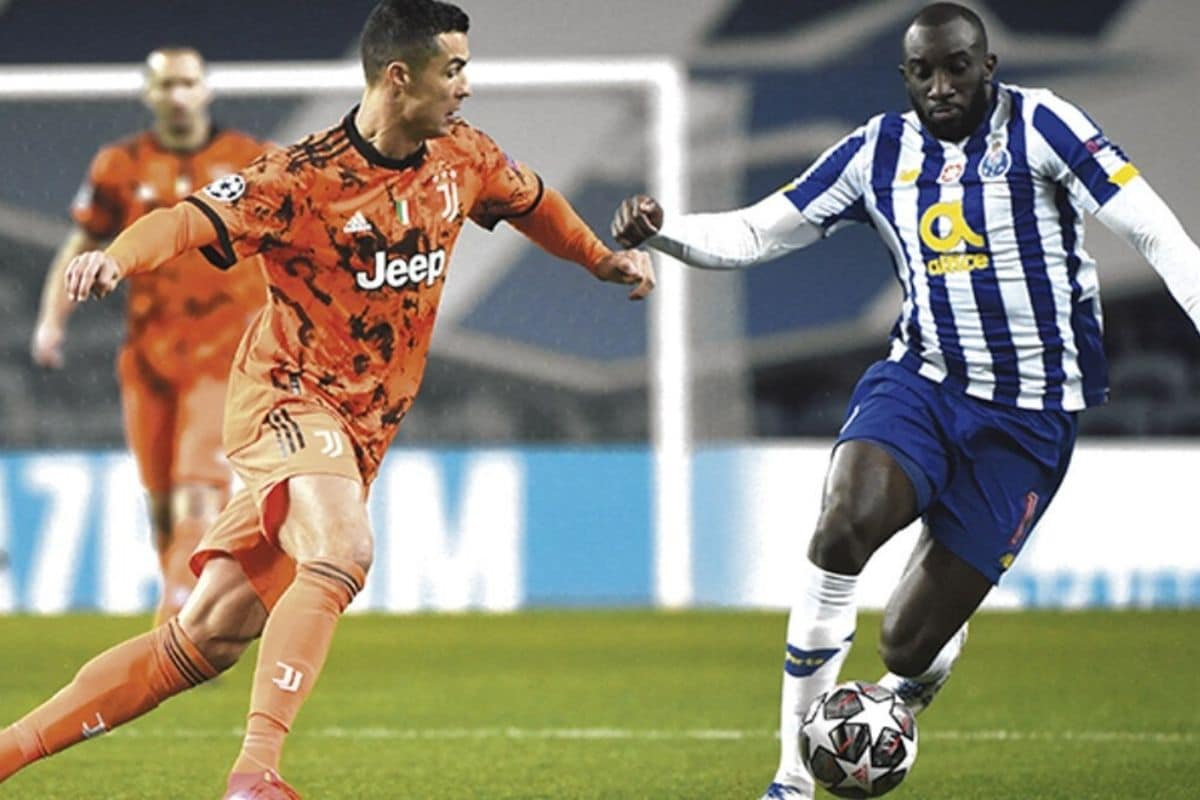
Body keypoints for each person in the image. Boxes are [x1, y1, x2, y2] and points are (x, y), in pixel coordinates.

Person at [0, 1, 654, 797]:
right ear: (400, 77)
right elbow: (187, 219)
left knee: (204, 639)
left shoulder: (464, 157)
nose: (466, 86)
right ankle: (256, 776)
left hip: (361, 429)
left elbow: (533, 203)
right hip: (286, 399)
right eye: (453, 69)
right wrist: (117, 257)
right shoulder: (301, 178)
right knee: (342, 550)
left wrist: (600, 260)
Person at [612, 3, 1200, 798]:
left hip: (1028, 421)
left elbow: (1157, 234)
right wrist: (663, 229)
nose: (941, 85)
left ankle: (913, 679)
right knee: (842, 525)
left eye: (957, 67)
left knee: (906, 643)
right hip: (921, 382)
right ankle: (791, 777)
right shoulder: (876, 151)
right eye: (923, 72)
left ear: (988, 66)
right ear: (905, 77)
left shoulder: (1046, 126)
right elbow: (758, 232)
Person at [31, 46, 267, 626]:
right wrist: (52, 320)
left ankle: (179, 625)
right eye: (167, 85)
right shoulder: (119, 165)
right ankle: (188, 603)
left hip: (225, 353)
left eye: (187, 83)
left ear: (206, 89)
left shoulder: (250, 161)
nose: (178, 96)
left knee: (197, 489)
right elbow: (82, 244)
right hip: (149, 356)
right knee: (161, 504)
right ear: (149, 93)